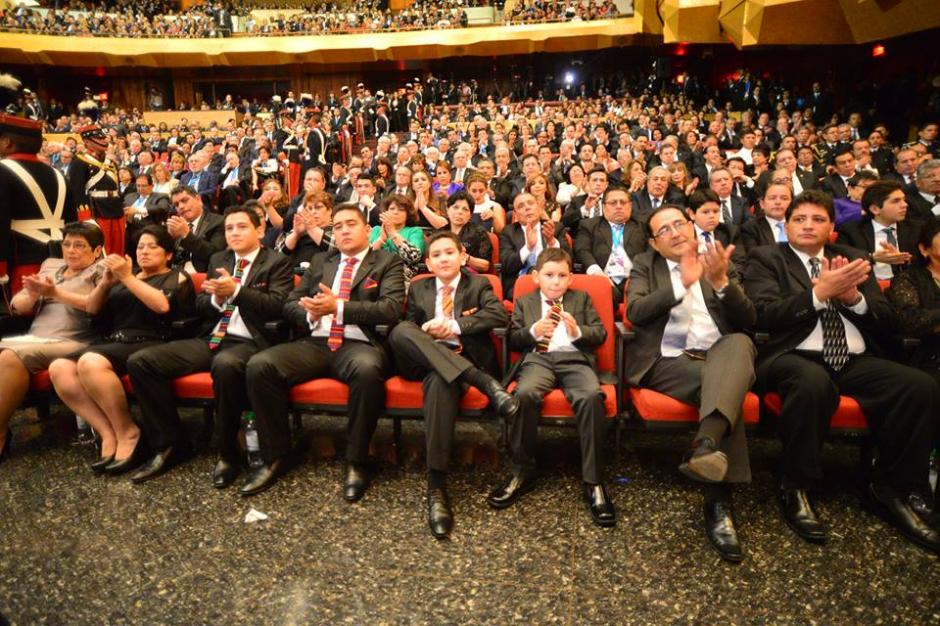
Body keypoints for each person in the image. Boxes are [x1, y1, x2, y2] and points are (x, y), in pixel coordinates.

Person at [742, 189, 940, 552]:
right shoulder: (766, 258)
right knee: (812, 381)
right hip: (794, 354)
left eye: (818, 219)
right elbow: (762, 314)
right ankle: (795, 484)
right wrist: (818, 294)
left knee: (918, 385)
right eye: (799, 219)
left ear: (832, 228)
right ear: (786, 226)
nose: (807, 225)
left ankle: (891, 486)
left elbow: (888, 320)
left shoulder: (852, 257)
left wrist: (855, 299)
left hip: (852, 356)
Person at [242, 204, 405, 498]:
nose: (343, 230)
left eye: (350, 224)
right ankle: (276, 455)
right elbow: (290, 302)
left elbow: (390, 309)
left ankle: (357, 461)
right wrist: (310, 313)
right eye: (338, 226)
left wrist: (339, 308)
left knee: (367, 371)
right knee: (259, 365)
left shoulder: (387, 262)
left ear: (368, 231)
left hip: (359, 343)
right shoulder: (321, 261)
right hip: (315, 340)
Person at [126, 206, 293, 486]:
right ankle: (170, 442)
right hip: (213, 337)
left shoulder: (277, 262)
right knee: (141, 361)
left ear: (260, 230)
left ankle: (227, 452)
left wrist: (237, 292)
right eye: (229, 228)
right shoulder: (219, 258)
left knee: (226, 365)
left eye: (241, 227)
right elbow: (200, 304)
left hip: (251, 340)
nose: (234, 233)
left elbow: (277, 307)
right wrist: (216, 299)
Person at [626, 204, 757, 562]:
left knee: (739, 346)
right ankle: (719, 503)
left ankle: (705, 446)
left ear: (692, 225)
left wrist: (721, 283)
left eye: (678, 224)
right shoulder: (645, 266)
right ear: (654, 244)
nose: (674, 232)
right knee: (728, 389)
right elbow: (634, 313)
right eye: (663, 230)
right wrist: (679, 283)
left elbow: (749, 318)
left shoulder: (714, 259)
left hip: (718, 354)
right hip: (667, 360)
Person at [387, 231, 516, 538]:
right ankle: (482, 382)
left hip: (456, 359)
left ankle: (436, 487)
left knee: (440, 382)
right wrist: (426, 331)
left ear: (462, 256)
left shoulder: (479, 284)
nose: (443, 258)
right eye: (437, 255)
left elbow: (498, 315)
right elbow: (409, 333)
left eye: (449, 252)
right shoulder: (419, 290)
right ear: (428, 263)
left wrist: (454, 325)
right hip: (423, 361)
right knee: (402, 330)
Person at [48, 226, 194, 475]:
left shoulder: (176, 276)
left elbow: (161, 306)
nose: (144, 252)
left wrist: (128, 278)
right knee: (59, 368)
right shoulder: (125, 278)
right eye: (140, 247)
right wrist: (105, 284)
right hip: (116, 341)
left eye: (152, 246)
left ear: (168, 254)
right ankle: (109, 432)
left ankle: (129, 432)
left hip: (154, 341)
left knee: (90, 362)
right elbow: (93, 310)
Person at [487, 248, 615, 527]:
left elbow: (600, 332)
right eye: (549, 275)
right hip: (539, 359)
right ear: (536, 277)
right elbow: (515, 336)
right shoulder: (525, 301)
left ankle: (593, 480)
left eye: (562, 276)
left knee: (591, 396)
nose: (555, 282)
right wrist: (534, 331)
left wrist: (576, 331)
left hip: (574, 359)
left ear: (571, 279)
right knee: (524, 394)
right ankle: (522, 469)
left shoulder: (581, 298)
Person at [0, 222, 104, 464]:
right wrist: (34, 294)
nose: (71, 251)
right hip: (36, 339)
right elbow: (17, 306)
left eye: (79, 246)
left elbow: (95, 306)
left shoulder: (101, 270)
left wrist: (56, 293)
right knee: (10, 355)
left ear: (97, 250)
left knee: (8, 354)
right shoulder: (51, 266)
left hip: (75, 339)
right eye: (66, 244)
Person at [0, 113, 77, 294]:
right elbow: (72, 223)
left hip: (21, 265)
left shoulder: (2, 172)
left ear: (7, 142)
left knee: (23, 317)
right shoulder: (59, 175)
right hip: (62, 261)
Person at [573, 186, 646, 307]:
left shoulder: (642, 225)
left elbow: (651, 251)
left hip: (635, 279)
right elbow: (582, 250)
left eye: (623, 202)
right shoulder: (589, 225)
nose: (618, 206)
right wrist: (596, 272)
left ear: (630, 206)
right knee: (601, 292)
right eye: (613, 203)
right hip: (603, 278)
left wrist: (641, 275)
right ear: (604, 206)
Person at [837, 180, 918, 283]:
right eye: (896, 201)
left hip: (909, 287)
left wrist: (905, 259)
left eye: (904, 200)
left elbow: (928, 261)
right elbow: (843, 262)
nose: (905, 205)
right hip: (869, 287)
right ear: (875, 209)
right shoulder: (851, 231)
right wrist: (872, 258)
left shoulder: (916, 228)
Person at [499, 192, 570, 300]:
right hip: (520, 285)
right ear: (515, 214)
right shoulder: (508, 232)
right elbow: (507, 265)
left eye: (530, 203)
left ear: (539, 206)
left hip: (554, 283)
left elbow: (570, 261)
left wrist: (551, 242)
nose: (527, 208)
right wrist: (528, 248)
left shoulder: (554, 228)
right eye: (521, 206)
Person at [76, 124, 125, 256]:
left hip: (115, 209)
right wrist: (85, 216)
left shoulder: (110, 162)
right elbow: (77, 190)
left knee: (117, 250)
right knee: (102, 251)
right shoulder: (79, 161)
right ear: (86, 141)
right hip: (96, 210)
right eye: (99, 138)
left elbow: (117, 188)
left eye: (104, 137)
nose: (104, 140)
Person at [165, 185, 226, 274]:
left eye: (184, 201)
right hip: (174, 274)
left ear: (198, 199)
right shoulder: (175, 225)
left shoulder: (219, 222)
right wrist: (169, 239)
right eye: (176, 204)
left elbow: (215, 254)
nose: (181, 206)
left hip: (204, 275)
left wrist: (186, 235)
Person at [369, 193, 426, 285]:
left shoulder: (415, 231)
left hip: (401, 278)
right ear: (385, 211)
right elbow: (366, 256)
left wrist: (393, 232)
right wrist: (381, 239)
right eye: (392, 209)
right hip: (375, 275)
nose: (395, 212)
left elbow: (414, 256)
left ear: (408, 214)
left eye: (401, 210)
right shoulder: (376, 230)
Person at [280, 190, 334, 267]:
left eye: (318, 208)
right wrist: (296, 234)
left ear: (329, 211)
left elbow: (337, 247)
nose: (313, 212)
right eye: (310, 208)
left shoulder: (336, 228)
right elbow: (278, 252)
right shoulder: (301, 228)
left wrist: (312, 228)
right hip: (294, 274)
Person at [443, 190, 492, 274]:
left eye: (465, 209)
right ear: (447, 210)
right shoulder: (439, 234)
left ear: (470, 215)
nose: (459, 212)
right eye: (455, 207)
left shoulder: (479, 232)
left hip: (469, 278)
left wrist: (465, 257)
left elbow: (485, 266)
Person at [122, 173, 171, 257]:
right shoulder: (129, 197)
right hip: (128, 227)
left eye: (144, 186)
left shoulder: (160, 197)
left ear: (152, 186)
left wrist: (137, 211)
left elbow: (163, 208)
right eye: (138, 186)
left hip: (147, 228)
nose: (140, 188)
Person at [738, 182, 792, 254]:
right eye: (772, 198)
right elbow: (755, 258)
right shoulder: (750, 229)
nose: (778, 202)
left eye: (784, 198)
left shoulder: (802, 225)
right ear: (762, 204)